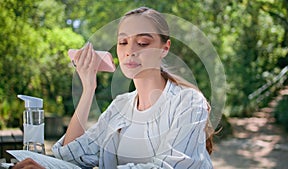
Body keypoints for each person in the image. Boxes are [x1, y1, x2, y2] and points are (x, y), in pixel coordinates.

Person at [13, 6, 214, 169]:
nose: (130, 51)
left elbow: (167, 167)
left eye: (142, 43)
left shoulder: (189, 102)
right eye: (123, 42)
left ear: (164, 48)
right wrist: (88, 88)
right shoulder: (120, 106)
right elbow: (70, 156)